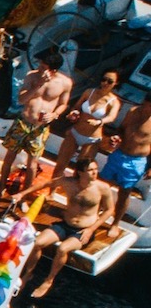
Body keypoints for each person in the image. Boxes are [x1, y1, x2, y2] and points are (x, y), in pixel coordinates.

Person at [18, 155, 113, 296]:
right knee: (37, 243)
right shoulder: (69, 182)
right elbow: (46, 184)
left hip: (83, 230)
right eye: (90, 170)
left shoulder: (102, 188)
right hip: (65, 224)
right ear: (80, 172)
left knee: (62, 249)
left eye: (96, 169)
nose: (95, 173)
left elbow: (109, 209)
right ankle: (28, 273)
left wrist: (91, 229)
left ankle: (49, 280)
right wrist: (22, 194)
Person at [0, 49, 75, 196]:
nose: (39, 68)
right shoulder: (32, 76)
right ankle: (0, 188)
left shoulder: (65, 83)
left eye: (43, 67)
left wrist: (54, 115)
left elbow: (63, 104)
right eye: (40, 65)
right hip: (23, 122)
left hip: (40, 128)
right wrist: (38, 84)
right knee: (9, 157)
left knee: (32, 164)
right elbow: (21, 100)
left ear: (53, 70)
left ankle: (23, 196)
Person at [53, 70, 122, 175]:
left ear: (116, 83)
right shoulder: (89, 92)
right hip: (75, 132)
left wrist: (100, 121)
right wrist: (74, 113)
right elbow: (76, 107)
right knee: (59, 166)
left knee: (80, 172)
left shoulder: (114, 102)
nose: (105, 83)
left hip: (92, 139)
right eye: (103, 79)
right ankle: (53, 186)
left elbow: (111, 117)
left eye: (110, 81)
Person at [102, 97, 151, 227]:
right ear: (145, 102)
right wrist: (117, 137)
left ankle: (115, 224)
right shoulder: (133, 111)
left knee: (124, 193)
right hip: (119, 154)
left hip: (136, 162)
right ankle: (95, 213)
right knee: (103, 185)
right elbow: (122, 129)